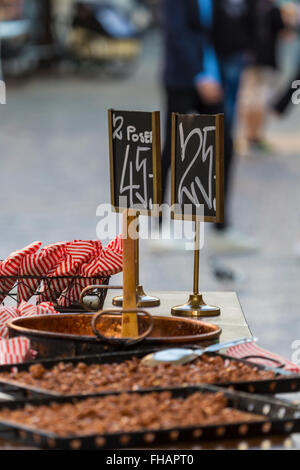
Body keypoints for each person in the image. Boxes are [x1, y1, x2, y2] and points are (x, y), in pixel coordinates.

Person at [157, 0, 258, 253]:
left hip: (213, 77)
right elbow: (177, 32)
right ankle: (158, 225)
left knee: (225, 146)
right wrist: (198, 74)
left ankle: (221, 225)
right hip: (184, 78)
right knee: (172, 148)